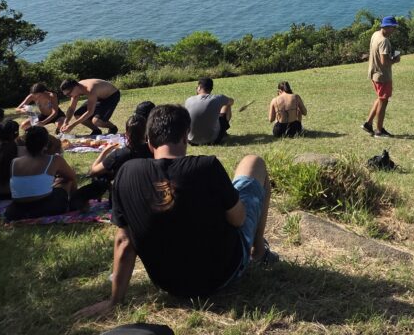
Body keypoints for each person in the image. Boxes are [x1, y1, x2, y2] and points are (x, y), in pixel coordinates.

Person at [76, 105, 274, 319]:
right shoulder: (207, 167)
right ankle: (259, 251)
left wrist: (115, 301)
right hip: (222, 274)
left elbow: (124, 242)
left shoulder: (125, 173)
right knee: (253, 162)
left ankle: (257, 250)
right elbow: (238, 220)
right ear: (185, 137)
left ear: (149, 142)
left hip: (169, 283)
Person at [73, 115, 153, 205]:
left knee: (101, 176)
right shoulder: (154, 150)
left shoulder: (119, 155)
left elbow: (92, 172)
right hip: (148, 198)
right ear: (145, 133)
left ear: (126, 134)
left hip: (122, 201)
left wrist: (104, 152)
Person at [5, 125, 77, 222]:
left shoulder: (14, 162)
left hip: (16, 211)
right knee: (68, 179)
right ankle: (75, 205)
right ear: (46, 144)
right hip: (46, 208)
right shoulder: (54, 159)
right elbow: (71, 176)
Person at [362, 16, 400, 139]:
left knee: (380, 98)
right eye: (393, 27)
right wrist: (395, 59)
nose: (394, 30)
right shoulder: (384, 41)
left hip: (374, 73)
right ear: (387, 27)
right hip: (383, 76)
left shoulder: (375, 34)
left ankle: (368, 124)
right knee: (383, 101)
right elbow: (384, 61)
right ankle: (379, 131)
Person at [184, 78, 234, 146]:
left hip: (191, 140)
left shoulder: (188, 100)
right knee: (226, 105)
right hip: (213, 140)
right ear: (211, 89)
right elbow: (231, 101)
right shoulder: (218, 98)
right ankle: (222, 132)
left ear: (199, 87)